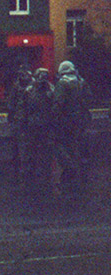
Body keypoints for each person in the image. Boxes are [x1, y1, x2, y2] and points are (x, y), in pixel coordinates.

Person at [51, 60, 89, 190]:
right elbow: (88, 98)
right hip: (79, 119)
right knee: (75, 144)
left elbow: (58, 103)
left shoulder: (63, 83)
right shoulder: (81, 81)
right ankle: (78, 169)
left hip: (65, 120)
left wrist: (54, 118)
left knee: (61, 144)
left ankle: (69, 169)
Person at [21, 68, 53, 186]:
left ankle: (41, 169)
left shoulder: (49, 90)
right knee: (33, 147)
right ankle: (32, 168)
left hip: (42, 123)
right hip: (34, 123)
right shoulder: (30, 90)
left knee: (42, 147)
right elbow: (24, 107)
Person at [7, 64, 33, 166]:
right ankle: (26, 160)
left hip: (20, 116)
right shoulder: (33, 84)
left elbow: (11, 102)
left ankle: (19, 160)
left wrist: (10, 114)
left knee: (18, 139)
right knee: (26, 139)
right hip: (27, 116)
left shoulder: (17, 85)